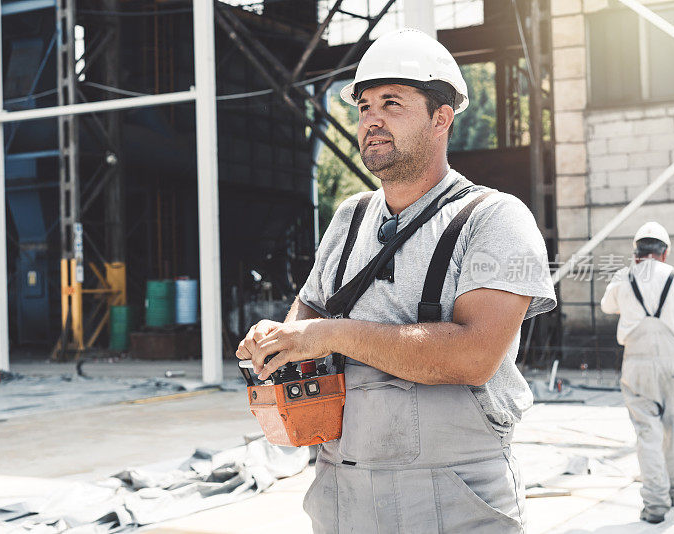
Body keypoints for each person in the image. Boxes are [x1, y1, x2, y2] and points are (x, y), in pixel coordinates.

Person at [236, 28, 556, 532]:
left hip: (454, 494)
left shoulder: (494, 218)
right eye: (364, 106)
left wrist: (327, 335)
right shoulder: (349, 217)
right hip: (344, 491)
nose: (372, 120)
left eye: (392, 103)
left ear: (441, 117)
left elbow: (474, 357)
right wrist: (279, 336)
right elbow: (311, 309)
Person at [601, 221, 674, 524]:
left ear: (636, 253)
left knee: (648, 435)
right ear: (664, 253)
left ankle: (654, 506)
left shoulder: (624, 277)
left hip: (637, 364)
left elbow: (607, 305)